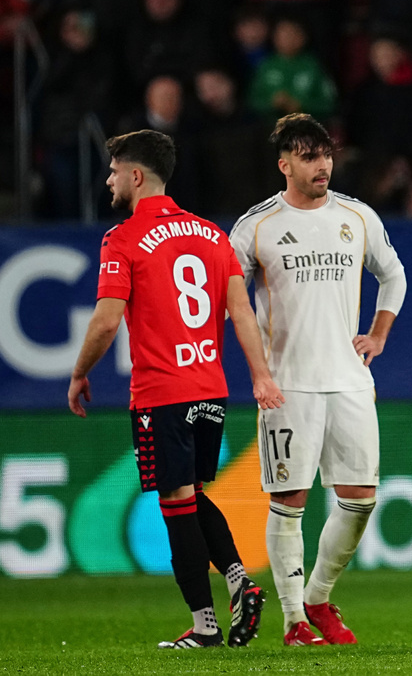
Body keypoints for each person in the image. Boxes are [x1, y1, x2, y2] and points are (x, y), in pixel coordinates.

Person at [67, 129, 285, 649]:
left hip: (163, 392)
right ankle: (238, 582)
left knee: (175, 504)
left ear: (137, 176)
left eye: (115, 170)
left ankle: (206, 625)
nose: (110, 180)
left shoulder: (121, 238)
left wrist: (79, 373)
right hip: (211, 387)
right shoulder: (213, 234)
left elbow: (105, 320)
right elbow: (241, 312)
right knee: (192, 495)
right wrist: (260, 375)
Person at [229, 113, 407, 646]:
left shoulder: (357, 216)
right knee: (290, 500)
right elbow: (234, 305)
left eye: (325, 153)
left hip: (349, 379)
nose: (322, 164)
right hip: (289, 384)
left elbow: (392, 273)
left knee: (361, 498)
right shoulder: (254, 226)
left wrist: (377, 334)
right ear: (284, 164)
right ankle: (293, 622)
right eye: (308, 156)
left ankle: (318, 595)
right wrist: (259, 373)